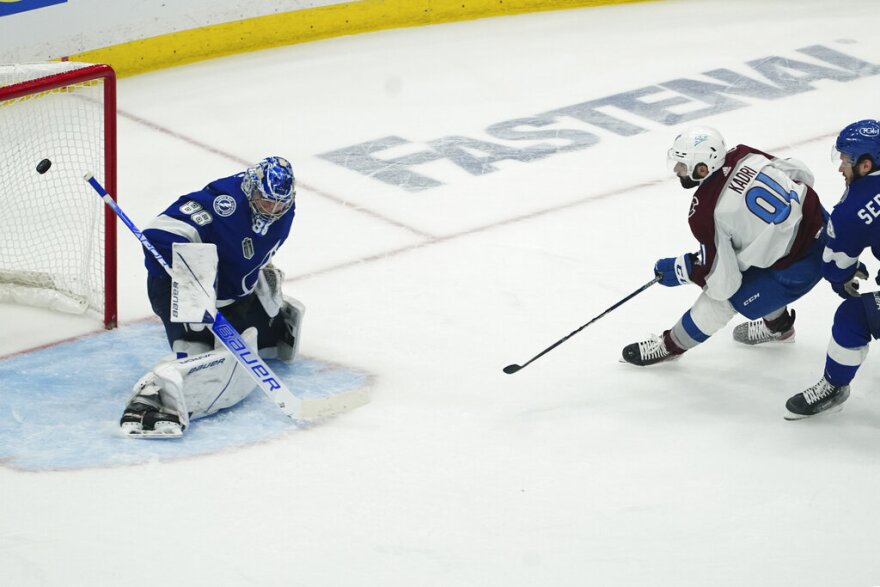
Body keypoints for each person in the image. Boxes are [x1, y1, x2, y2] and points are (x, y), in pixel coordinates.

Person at [120, 156, 305, 437]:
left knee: (260, 338)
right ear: (251, 188)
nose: (272, 210)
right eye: (266, 201)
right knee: (199, 357)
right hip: (181, 292)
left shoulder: (284, 210)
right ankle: (153, 400)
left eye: (279, 204)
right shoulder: (224, 202)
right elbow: (157, 232)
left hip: (230, 292)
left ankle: (258, 295)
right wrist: (195, 277)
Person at [622, 126, 827, 366]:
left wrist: (687, 270)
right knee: (755, 261)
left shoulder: (705, 212)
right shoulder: (743, 154)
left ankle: (670, 346)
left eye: (682, 164)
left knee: (720, 301)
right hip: (828, 232)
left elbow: (723, 284)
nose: (677, 170)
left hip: (798, 270)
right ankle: (778, 327)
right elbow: (803, 174)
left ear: (703, 168)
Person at [785, 120, 880, 419]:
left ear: (865, 165)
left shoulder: (854, 207)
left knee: (852, 317)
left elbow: (836, 267)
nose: (841, 168)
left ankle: (834, 386)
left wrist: (843, 279)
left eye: (845, 160)